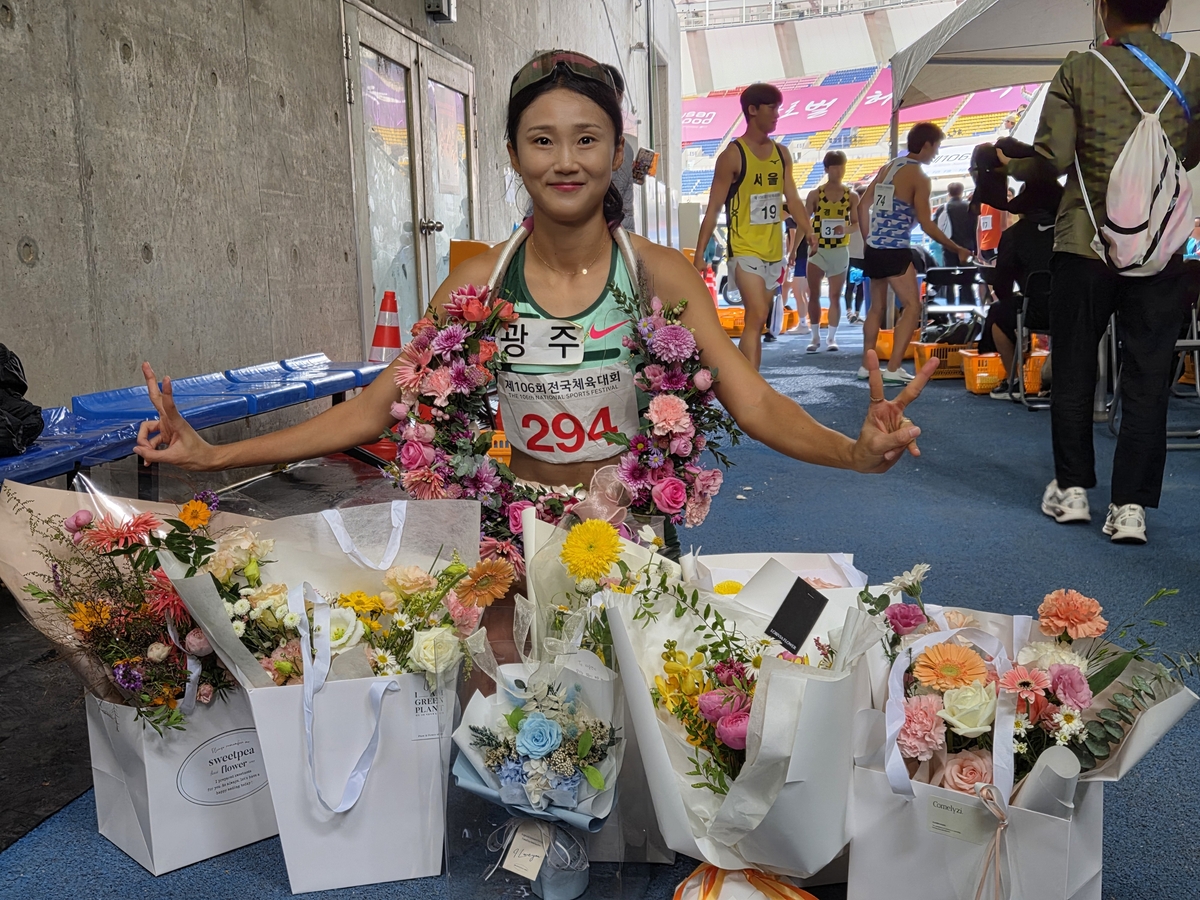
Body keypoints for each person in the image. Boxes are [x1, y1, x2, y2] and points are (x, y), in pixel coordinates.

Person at [135, 51, 936, 547]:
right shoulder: (478, 281)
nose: (566, 160)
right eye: (542, 139)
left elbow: (751, 398)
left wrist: (852, 452)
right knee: (515, 737)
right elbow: (375, 408)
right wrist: (212, 454)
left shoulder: (656, 275)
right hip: (505, 537)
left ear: (618, 153)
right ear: (513, 155)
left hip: (629, 536)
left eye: (587, 139)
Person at [1004, 0, 1200, 544]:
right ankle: (1130, 507)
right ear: (1163, 7)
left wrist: (1008, 165)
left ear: (1103, 7)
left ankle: (1071, 493)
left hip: (1084, 241)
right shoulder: (1192, 69)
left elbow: (1052, 160)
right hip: (1160, 248)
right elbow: (1188, 152)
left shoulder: (1081, 67)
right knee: (1148, 375)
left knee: (1073, 366)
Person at [694, 82, 817, 370]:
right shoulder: (733, 156)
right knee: (758, 311)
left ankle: (744, 379)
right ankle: (753, 387)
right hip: (744, 249)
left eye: (778, 109)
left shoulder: (782, 154)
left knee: (757, 320)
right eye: (771, 108)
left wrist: (808, 229)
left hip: (773, 252)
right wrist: (700, 254)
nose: (777, 115)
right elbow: (713, 209)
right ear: (752, 110)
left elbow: (793, 198)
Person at [858, 122, 971, 384]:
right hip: (896, 249)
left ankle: (867, 364)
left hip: (875, 247)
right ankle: (894, 367)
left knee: (876, 308)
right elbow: (927, 224)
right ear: (927, 144)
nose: (936, 153)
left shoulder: (889, 167)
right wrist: (956, 247)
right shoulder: (919, 177)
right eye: (937, 147)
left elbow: (863, 205)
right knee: (912, 306)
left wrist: (869, 239)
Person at [976, 178, 1063, 399]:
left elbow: (1002, 287)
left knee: (998, 312)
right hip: (1078, 310)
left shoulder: (1014, 235)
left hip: (1036, 310)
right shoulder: (1071, 232)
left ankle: (1014, 381)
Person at [804, 151, 860, 353]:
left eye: (842, 167)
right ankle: (815, 337)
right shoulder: (815, 195)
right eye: (835, 167)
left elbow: (856, 224)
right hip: (818, 251)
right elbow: (804, 221)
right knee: (814, 294)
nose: (839, 171)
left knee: (835, 295)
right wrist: (810, 238)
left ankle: (832, 338)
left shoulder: (851, 196)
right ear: (827, 169)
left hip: (839, 250)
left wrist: (844, 229)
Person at [937, 183, 978, 304]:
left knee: (949, 279)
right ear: (961, 192)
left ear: (949, 193)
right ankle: (968, 306)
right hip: (967, 248)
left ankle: (950, 309)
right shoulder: (969, 207)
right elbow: (975, 228)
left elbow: (936, 227)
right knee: (967, 279)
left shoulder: (943, 208)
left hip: (949, 247)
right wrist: (975, 248)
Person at [782, 210, 811, 335]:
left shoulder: (791, 221)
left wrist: (790, 255)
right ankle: (805, 322)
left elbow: (793, 239)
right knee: (801, 292)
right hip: (805, 257)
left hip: (798, 258)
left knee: (798, 292)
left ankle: (803, 323)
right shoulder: (802, 220)